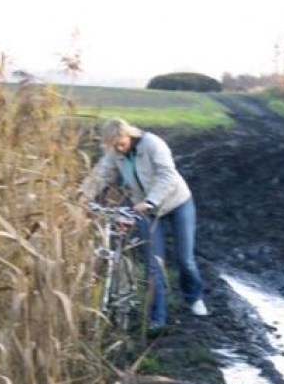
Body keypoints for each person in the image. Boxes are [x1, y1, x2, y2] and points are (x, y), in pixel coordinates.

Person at [81, 117, 207, 331]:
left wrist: (150, 201)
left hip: (176, 203)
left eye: (121, 144)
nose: (119, 150)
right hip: (145, 211)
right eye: (114, 147)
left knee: (184, 259)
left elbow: (167, 176)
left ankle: (194, 297)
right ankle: (157, 318)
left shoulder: (152, 144)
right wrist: (83, 195)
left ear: (129, 135)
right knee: (152, 266)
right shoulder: (115, 153)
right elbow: (101, 174)